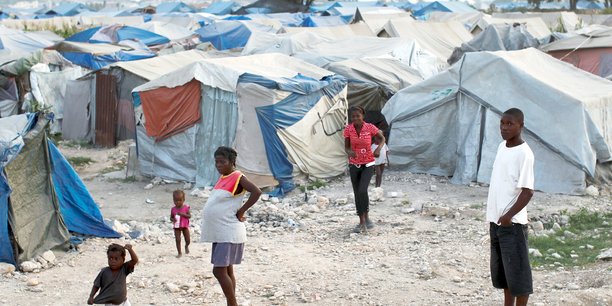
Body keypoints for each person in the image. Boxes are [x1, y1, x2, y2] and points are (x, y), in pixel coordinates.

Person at [201, 147, 262, 306]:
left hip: (228, 232)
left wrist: (242, 210)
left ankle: (232, 303)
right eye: (216, 162)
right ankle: (231, 302)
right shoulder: (224, 177)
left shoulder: (237, 177)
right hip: (220, 232)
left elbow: (256, 192)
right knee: (228, 270)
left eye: (223, 161)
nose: (219, 165)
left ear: (232, 162)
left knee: (218, 271)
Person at [487, 108, 535, 306]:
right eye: (502, 123)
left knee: (519, 275)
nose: (504, 128)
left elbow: (527, 191)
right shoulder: (502, 147)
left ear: (521, 126)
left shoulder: (525, 154)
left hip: (511, 224)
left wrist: (508, 216)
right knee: (505, 275)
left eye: (510, 124)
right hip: (495, 221)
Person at [344, 106, 385, 233]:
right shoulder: (348, 129)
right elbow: (347, 147)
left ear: (363, 116)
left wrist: (378, 149)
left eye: (358, 116)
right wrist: (350, 152)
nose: (355, 118)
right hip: (354, 164)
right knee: (357, 192)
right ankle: (362, 220)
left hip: (368, 163)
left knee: (362, 190)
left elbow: (382, 138)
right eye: (353, 116)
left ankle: (366, 217)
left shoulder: (370, 127)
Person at [170, 190, 191, 257]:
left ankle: (186, 246)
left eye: (180, 200)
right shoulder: (173, 209)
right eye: (176, 201)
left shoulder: (185, 208)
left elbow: (189, 216)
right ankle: (179, 252)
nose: (178, 202)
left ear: (183, 200)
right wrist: (173, 219)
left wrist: (183, 214)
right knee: (177, 239)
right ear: (173, 200)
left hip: (184, 226)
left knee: (188, 239)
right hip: (177, 227)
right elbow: (171, 217)